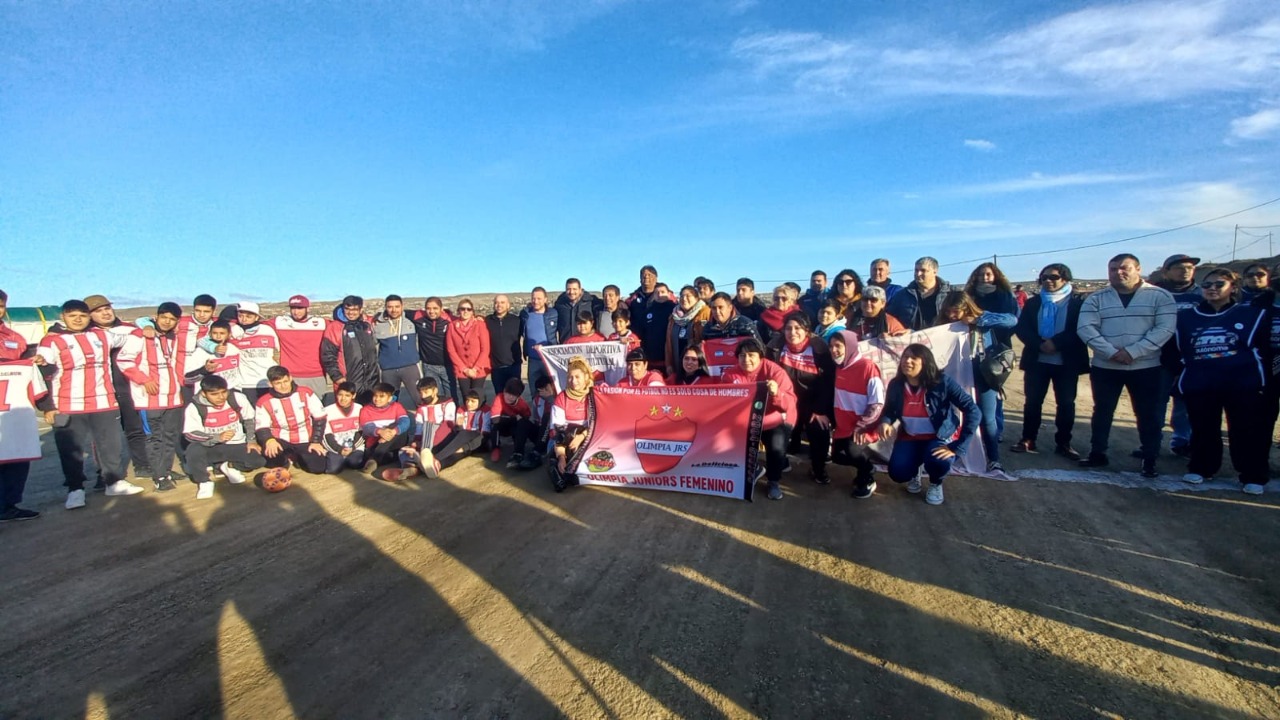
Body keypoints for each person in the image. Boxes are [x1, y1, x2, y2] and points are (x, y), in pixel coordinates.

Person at [37, 299, 146, 508]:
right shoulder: (52, 341)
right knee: (71, 449)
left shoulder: (103, 335)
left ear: (88, 317)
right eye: (72, 315)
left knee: (110, 445)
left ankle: (113, 482)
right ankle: (75, 490)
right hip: (68, 404)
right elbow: (43, 363)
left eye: (82, 315)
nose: (78, 319)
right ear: (63, 318)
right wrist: (48, 406)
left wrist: (146, 325)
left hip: (104, 401)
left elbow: (133, 334)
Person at [1076, 254, 1177, 478]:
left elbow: (1165, 329)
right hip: (1106, 367)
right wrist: (1111, 353)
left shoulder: (1159, 296)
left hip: (1146, 367)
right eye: (1112, 269)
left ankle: (1149, 458)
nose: (1118, 272)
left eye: (1124, 268)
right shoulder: (1097, 298)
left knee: (1147, 414)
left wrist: (1134, 352)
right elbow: (1086, 328)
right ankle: (1097, 453)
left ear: (1138, 269)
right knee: (1102, 411)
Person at [1172, 269, 1269, 494]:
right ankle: (1202, 467)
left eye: (1219, 284)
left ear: (1233, 288)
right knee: (1203, 428)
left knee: (1244, 430)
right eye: (1207, 285)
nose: (1212, 289)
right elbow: (1176, 351)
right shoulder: (1185, 318)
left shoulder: (1251, 314)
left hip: (1242, 384)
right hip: (1201, 383)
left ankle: (1251, 475)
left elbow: (1263, 349)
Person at [878, 344, 981, 506]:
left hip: (938, 437)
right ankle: (914, 470)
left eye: (913, 358)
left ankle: (936, 483)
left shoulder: (943, 382)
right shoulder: (896, 384)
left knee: (939, 461)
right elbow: (890, 410)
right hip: (910, 437)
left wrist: (958, 446)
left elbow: (973, 410)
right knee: (898, 473)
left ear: (925, 362)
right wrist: (885, 422)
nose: (907, 361)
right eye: (905, 357)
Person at [1012, 264, 1088, 460]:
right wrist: (1039, 344)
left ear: (1065, 279)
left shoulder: (1078, 303)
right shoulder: (1034, 303)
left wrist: (1056, 343)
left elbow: (1082, 329)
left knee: (1065, 403)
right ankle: (1028, 439)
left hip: (1066, 361)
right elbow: (1023, 328)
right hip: (1037, 360)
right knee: (1033, 402)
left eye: (1053, 277)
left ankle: (1063, 443)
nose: (1048, 281)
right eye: (1044, 277)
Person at [941, 291, 1016, 472]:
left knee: (987, 417)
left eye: (956, 312)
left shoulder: (983, 321)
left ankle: (993, 458)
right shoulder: (943, 324)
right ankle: (952, 451)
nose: (952, 316)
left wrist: (979, 320)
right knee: (952, 414)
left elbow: (1012, 320)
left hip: (983, 374)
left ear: (967, 309)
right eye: (949, 311)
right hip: (955, 374)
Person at [116, 302, 187, 491]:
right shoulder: (139, 336)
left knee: (170, 436)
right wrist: (144, 380)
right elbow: (123, 361)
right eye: (164, 317)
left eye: (172, 319)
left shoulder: (173, 337)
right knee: (154, 438)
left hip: (172, 397)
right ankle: (159, 476)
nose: (167, 322)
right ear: (156, 317)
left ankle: (165, 469)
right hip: (149, 398)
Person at [83, 293, 153, 481]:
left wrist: (147, 326)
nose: (105, 313)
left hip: (127, 387)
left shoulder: (130, 329)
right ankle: (104, 473)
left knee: (135, 429)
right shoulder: (86, 335)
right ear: (89, 315)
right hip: (100, 391)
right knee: (103, 437)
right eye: (98, 311)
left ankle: (143, 465)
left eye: (107, 308)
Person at [720, 339, 796, 500]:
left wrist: (776, 393)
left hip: (775, 417)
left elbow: (790, 403)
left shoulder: (775, 371)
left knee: (775, 447)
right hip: (746, 420)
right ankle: (754, 468)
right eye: (742, 355)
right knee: (727, 439)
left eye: (751, 355)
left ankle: (773, 481)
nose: (746, 360)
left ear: (760, 356)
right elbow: (724, 403)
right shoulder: (730, 375)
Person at [767, 312, 835, 485]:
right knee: (775, 432)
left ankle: (818, 469)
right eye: (788, 328)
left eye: (798, 328)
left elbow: (828, 383)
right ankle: (781, 462)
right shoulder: (774, 348)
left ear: (807, 330)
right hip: (785, 400)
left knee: (818, 428)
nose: (792, 332)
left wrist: (821, 410)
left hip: (813, 401)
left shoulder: (820, 349)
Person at [0, 305, 49, 520]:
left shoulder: (14, 337)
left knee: (17, 455)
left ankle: (7, 506)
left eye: (0, 306)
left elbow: (28, 365)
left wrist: (35, 362)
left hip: (14, 413)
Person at [182, 375, 266, 499]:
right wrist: (215, 437)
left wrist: (251, 440)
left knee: (259, 460)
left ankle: (228, 466)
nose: (221, 397)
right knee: (193, 450)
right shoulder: (194, 407)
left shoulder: (237, 398)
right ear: (204, 394)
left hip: (236, 443)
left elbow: (250, 419)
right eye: (214, 394)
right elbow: (190, 433)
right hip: (211, 447)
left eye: (223, 392)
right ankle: (204, 481)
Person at [1153, 253, 1202, 457]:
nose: (1185, 270)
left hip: (1192, 357)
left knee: (1185, 402)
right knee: (1156, 401)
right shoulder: (1155, 294)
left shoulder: (1202, 294)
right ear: (1166, 271)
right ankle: (1151, 442)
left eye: (1190, 267)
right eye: (1180, 267)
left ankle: (1182, 441)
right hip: (1160, 355)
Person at [827, 330, 884, 498]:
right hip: (844, 425)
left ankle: (866, 477)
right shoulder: (839, 366)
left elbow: (877, 403)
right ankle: (867, 467)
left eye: (838, 346)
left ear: (850, 346)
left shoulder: (867, 367)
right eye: (831, 346)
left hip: (863, 425)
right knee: (836, 457)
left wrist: (862, 426)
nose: (833, 350)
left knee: (853, 452)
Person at [253, 365, 327, 475]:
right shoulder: (263, 402)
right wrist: (269, 440)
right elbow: (261, 427)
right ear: (270, 384)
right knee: (271, 456)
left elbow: (320, 418)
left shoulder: (306, 393)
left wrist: (316, 441)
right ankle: (284, 461)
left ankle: (298, 457)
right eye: (278, 383)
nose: (283, 386)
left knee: (318, 467)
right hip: (280, 439)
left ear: (290, 378)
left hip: (305, 438)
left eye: (285, 381)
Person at [271, 295, 331, 401]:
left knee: (319, 409)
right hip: (291, 376)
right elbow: (253, 323)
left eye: (299, 308)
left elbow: (340, 324)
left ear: (307, 308)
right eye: (293, 308)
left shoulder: (321, 323)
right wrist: (233, 323)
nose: (295, 312)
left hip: (316, 374)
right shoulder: (280, 322)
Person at [321, 295, 379, 404]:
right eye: (347, 309)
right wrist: (337, 377)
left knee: (370, 412)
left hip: (371, 379)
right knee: (350, 413)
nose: (351, 313)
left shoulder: (366, 324)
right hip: (349, 379)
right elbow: (328, 355)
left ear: (361, 309)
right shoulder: (335, 327)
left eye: (355, 309)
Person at [550, 357, 595, 492]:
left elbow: (600, 422)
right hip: (565, 440)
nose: (573, 381)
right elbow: (557, 431)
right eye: (570, 377)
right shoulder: (561, 398)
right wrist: (561, 457)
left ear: (586, 377)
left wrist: (582, 436)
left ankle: (572, 471)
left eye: (577, 377)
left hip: (589, 436)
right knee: (555, 459)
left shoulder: (594, 395)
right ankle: (563, 469)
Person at [398, 376, 457, 480]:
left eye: (426, 392)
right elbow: (419, 428)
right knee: (404, 450)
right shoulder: (421, 408)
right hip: (426, 438)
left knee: (428, 424)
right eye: (421, 393)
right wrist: (416, 442)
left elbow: (448, 426)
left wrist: (429, 443)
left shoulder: (448, 404)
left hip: (443, 439)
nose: (423, 395)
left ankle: (424, 454)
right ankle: (413, 467)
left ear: (435, 391)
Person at [372, 295, 421, 411]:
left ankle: (424, 425)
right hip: (389, 370)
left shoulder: (411, 321)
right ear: (385, 307)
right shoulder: (377, 324)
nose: (394, 310)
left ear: (402, 306)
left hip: (410, 367)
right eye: (390, 307)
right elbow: (371, 344)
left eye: (397, 307)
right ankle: (390, 425)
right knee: (389, 402)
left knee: (419, 399)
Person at [229, 301, 281, 404]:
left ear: (256, 317)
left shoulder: (267, 330)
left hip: (268, 381)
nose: (244, 319)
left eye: (248, 316)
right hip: (246, 383)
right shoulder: (233, 332)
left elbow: (277, 352)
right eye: (240, 315)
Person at [359, 382, 412, 478]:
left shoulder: (396, 406)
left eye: (381, 396)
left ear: (390, 398)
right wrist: (380, 432)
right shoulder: (366, 410)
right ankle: (382, 459)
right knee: (394, 454)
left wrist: (393, 431)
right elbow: (367, 427)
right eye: (375, 396)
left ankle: (374, 459)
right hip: (375, 445)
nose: (377, 399)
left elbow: (405, 421)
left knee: (397, 427)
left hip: (394, 441)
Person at [628, 267, 675, 374]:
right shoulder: (633, 299)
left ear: (655, 278)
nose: (646, 277)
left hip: (667, 352)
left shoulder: (670, 301)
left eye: (649, 275)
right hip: (645, 349)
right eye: (643, 275)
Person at [887, 257, 952, 331]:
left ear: (935, 272)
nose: (918, 274)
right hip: (911, 340)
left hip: (942, 339)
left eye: (923, 270)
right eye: (916, 270)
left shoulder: (950, 294)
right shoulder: (902, 295)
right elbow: (889, 318)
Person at [412, 296, 455, 401]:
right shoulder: (418, 317)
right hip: (429, 365)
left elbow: (466, 318)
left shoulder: (450, 320)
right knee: (434, 397)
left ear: (441, 309)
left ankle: (452, 416)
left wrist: (479, 317)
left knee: (451, 396)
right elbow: (399, 312)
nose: (431, 311)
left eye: (435, 308)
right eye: (428, 308)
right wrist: (378, 316)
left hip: (447, 365)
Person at [519, 287, 558, 401]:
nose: (536, 301)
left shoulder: (553, 314)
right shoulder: (525, 314)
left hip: (549, 359)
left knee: (551, 392)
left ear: (545, 299)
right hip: (533, 360)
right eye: (533, 298)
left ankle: (551, 417)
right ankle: (537, 417)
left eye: (539, 298)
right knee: (535, 393)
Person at [447, 298, 491, 399]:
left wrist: (475, 368)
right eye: (462, 309)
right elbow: (451, 349)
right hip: (462, 369)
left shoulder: (480, 325)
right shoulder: (452, 327)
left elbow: (485, 349)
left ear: (472, 312)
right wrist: (464, 369)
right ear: (458, 311)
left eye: (468, 309)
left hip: (479, 368)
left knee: (476, 396)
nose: (465, 311)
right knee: (466, 396)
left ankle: (479, 415)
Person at [320, 381, 365, 474]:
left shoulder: (360, 408)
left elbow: (362, 433)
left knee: (356, 463)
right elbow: (326, 436)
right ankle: (339, 460)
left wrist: (352, 448)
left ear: (353, 396)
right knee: (333, 469)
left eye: (347, 395)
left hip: (354, 447)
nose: (343, 398)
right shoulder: (327, 411)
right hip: (335, 448)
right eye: (340, 395)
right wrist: (339, 449)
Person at [489, 378, 534, 467]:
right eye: (508, 393)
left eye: (514, 395)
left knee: (519, 426)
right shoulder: (499, 398)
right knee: (494, 426)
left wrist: (517, 420)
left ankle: (517, 450)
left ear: (518, 396)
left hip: (513, 427)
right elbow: (495, 419)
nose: (510, 397)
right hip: (501, 424)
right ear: (504, 391)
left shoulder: (522, 404)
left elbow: (526, 418)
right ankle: (496, 448)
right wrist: (513, 417)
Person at [486, 294, 522, 402]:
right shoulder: (487, 321)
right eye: (496, 302)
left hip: (514, 366)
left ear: (508, 305)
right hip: (496, 367)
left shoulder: (517, 321)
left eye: (502, 302)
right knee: (500, 397)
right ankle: (502, 418)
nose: (499, 305)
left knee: (514, 398)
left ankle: (513, 418)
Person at [665, 285, 709, 371]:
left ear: (697, 299)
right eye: (682, 296)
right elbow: (668, 344)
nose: (684, 299)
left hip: (698, 365)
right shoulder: (673, 317)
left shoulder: (706, 313)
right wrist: (669, 364)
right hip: (677, 365)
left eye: (688, 296)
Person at [554, 279, 601, 343]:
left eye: (574, 289)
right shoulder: (560, 304)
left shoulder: (591, 302)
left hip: (587, 345)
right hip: (566, 346)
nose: (571, 292)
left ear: (580, 290)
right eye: (568, 289)